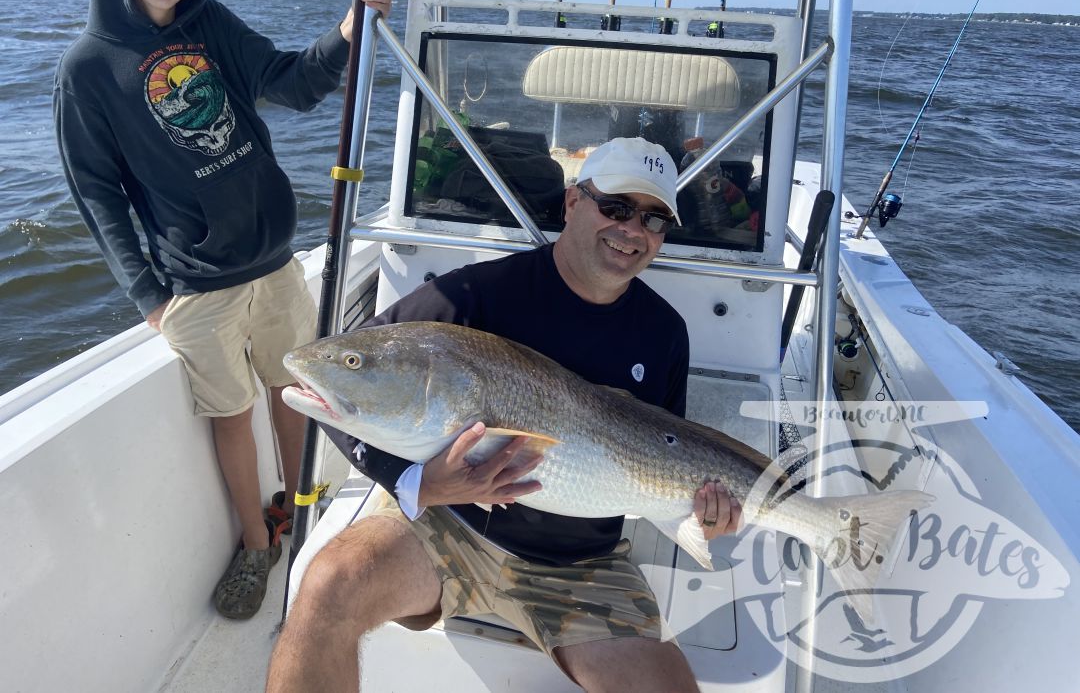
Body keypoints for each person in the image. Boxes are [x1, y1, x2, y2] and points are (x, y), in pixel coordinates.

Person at [267, 137, 741, 692]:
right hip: (449, 527)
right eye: (615, 207)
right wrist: (417, 482)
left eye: (654, 218)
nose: (632, 229)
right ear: (572, 203)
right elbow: (345, 389)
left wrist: (704, 511)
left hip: (580, 564)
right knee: (328, 586)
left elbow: (665, 456)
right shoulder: (476, 297)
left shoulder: (664, 334)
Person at [54, 0, 394, 619]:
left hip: (274, 264)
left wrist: (349, 27)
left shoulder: (211, 25)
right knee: (231, 414)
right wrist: (148, 295)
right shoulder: (87, 67)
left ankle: (298, 512)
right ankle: (255, 543)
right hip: (197, 284)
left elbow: (294, 84)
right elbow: (95, 191)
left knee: (294, 391)